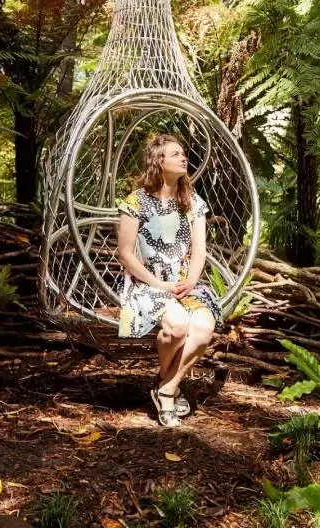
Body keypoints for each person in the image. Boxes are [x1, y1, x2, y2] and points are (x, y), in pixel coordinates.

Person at [116, 133, 221, 427]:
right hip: (147, 284)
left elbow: (200, 251)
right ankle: (169, 387)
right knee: (176, 327)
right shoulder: (136, 201)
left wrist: (191, 280)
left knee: (204, 328)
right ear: (158, 161)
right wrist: (158, 284)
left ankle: (166, 387)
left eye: (183, 153)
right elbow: (125, 254)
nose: (183, 157)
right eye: (175, 154)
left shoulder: (193, 202)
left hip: (185, 284)